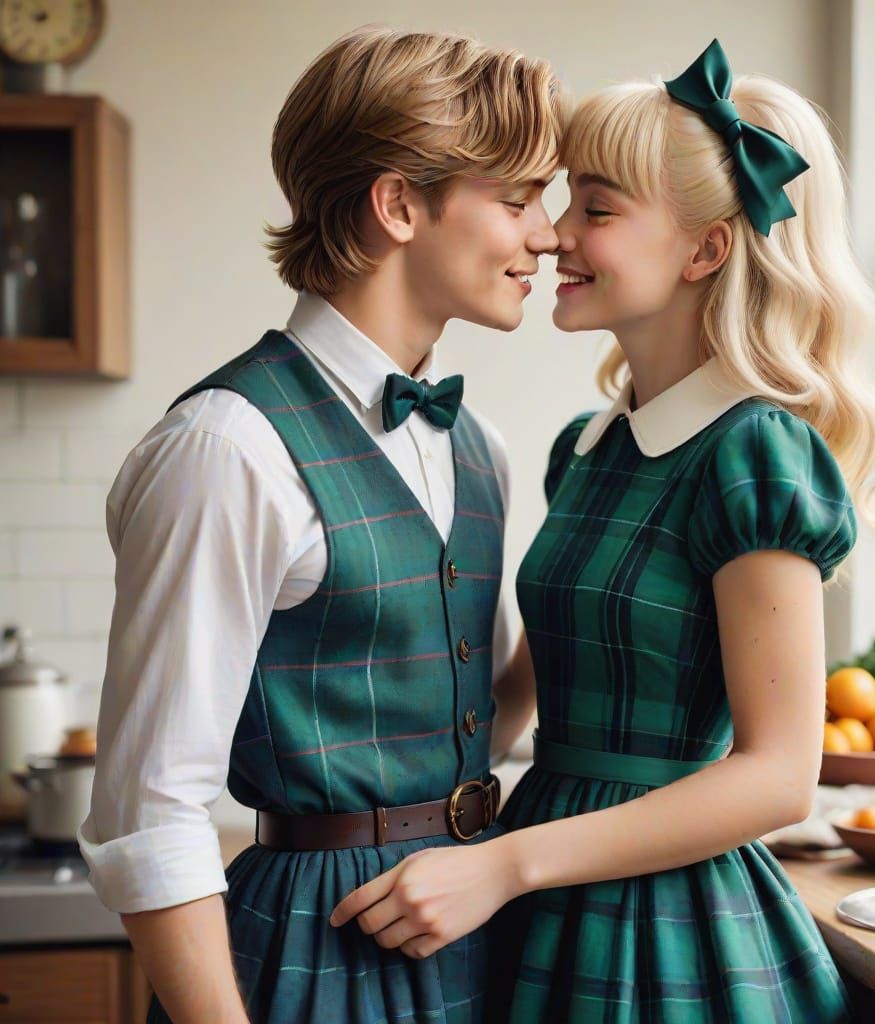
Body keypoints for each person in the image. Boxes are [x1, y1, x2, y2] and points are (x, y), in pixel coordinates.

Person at [331, 38, 875, 1023]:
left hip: (667, 921)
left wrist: (505, 866)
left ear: (705, 251)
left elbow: (779, 779)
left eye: (596, 210)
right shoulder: (586, 449)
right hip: (537, 892)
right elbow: (520, 700)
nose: (553, 235)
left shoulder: (753, 454)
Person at [78, 25, 564, 1024]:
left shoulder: (481, 447)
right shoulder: (226, 449)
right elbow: (150, 813)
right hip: (306, 953)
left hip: (474, 937)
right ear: (398, 205)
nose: (549, 235)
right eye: (518, 200)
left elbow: (475, 723)